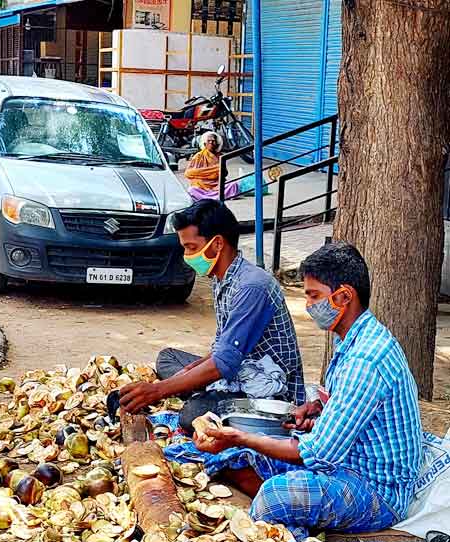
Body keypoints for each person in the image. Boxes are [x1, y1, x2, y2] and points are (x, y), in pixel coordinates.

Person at [194, 242, 422, 540]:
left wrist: (241, 435)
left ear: (344, 296)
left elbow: (318, 453)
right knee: (239, 456)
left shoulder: (366, 359)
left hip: (377, 490)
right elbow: (352, 405)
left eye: (314, 296)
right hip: (347, 461)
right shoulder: (352, 338)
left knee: (274, 495)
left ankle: (294, 527)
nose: (310, 306)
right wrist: (318, 407)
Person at [119, 199, 305, 432]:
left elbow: (224, 363)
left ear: (217, 244)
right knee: (168, 358)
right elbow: (222, 349)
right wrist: (188, 372)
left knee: (192, 416)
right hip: (236, 370)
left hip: (266, 392)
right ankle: (199, 389)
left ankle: (201, 394)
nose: (186, 256)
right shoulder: (221, 278)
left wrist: (158, 390)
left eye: (191, 248)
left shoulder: (252, 286)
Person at [184, 131, 239, 201]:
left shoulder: (220, 156)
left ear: (217, 144)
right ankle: (216, 197)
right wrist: (214, 170)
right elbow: (188, 173)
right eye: (209, 141)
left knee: (233, 185)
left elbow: (225, 173)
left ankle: (209, 197)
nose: (211, 143)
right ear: (204, 144)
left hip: (216, 184)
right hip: (202, 185)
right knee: (192, 190)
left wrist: (219, 170)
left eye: (213, 141)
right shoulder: (198, 156)